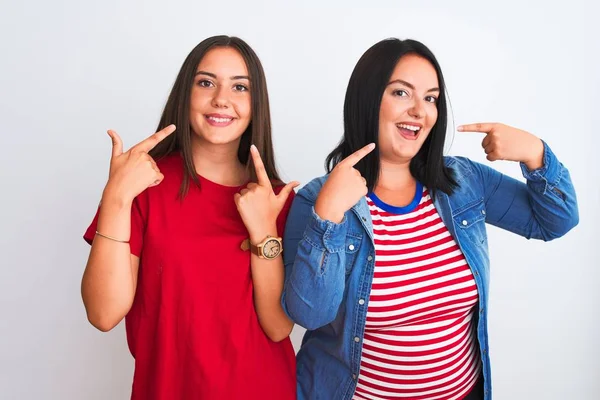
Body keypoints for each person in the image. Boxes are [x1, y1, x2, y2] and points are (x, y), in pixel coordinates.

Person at [282, 38, 578, 400]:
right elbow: (309, 314)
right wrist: (327, 218)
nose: (419, 111)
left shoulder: (465, 182)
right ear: (368, 98)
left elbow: (555, 221)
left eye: (431, 98)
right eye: (402, 93)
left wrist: (536, 153)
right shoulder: (318, 199)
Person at [81, 35, 297, 400]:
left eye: (240, 87)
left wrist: (263, 233)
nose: (221, 99)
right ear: (186, 93)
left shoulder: (276, 199)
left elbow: (278, 328)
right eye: (206, 82)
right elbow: (103, 313)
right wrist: (116, 198)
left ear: (256, 103)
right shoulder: (141, 187)